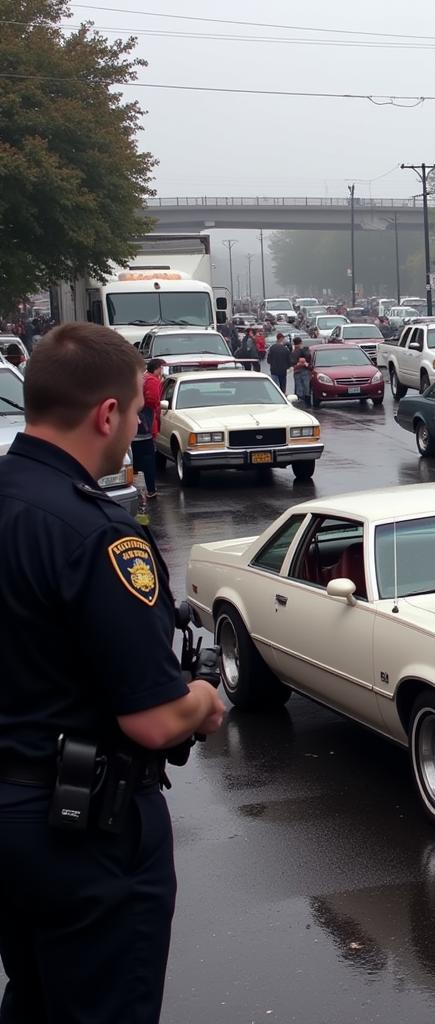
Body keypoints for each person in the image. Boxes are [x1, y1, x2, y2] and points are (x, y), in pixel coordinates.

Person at [0, 321, 225, 1024]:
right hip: (84, 833)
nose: (136, 427)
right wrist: (203, 698)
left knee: (34, 999)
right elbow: (153, 718)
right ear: (105, 415)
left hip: (10, 821)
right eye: (134, 413)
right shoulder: (99, 536)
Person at [133, 357, 165, 501]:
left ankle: (135, 488)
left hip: (135, 429)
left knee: (135, 460)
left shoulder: (142, 379)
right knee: (147, 460)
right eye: (162, 368)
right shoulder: (152, 381)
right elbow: (153, 401)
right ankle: (150, 489)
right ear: (157, 368)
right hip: (144, 429)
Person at [291, 337, 312, 407]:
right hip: (304, 370)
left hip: (297, 371)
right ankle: (307, 403)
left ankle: (300, 402)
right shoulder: (304, 351)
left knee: (299, 387)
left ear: (294, 344)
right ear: (301, 343)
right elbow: (309, 357)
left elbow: (291, 362)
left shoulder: (293, 352)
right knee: (306, 387)